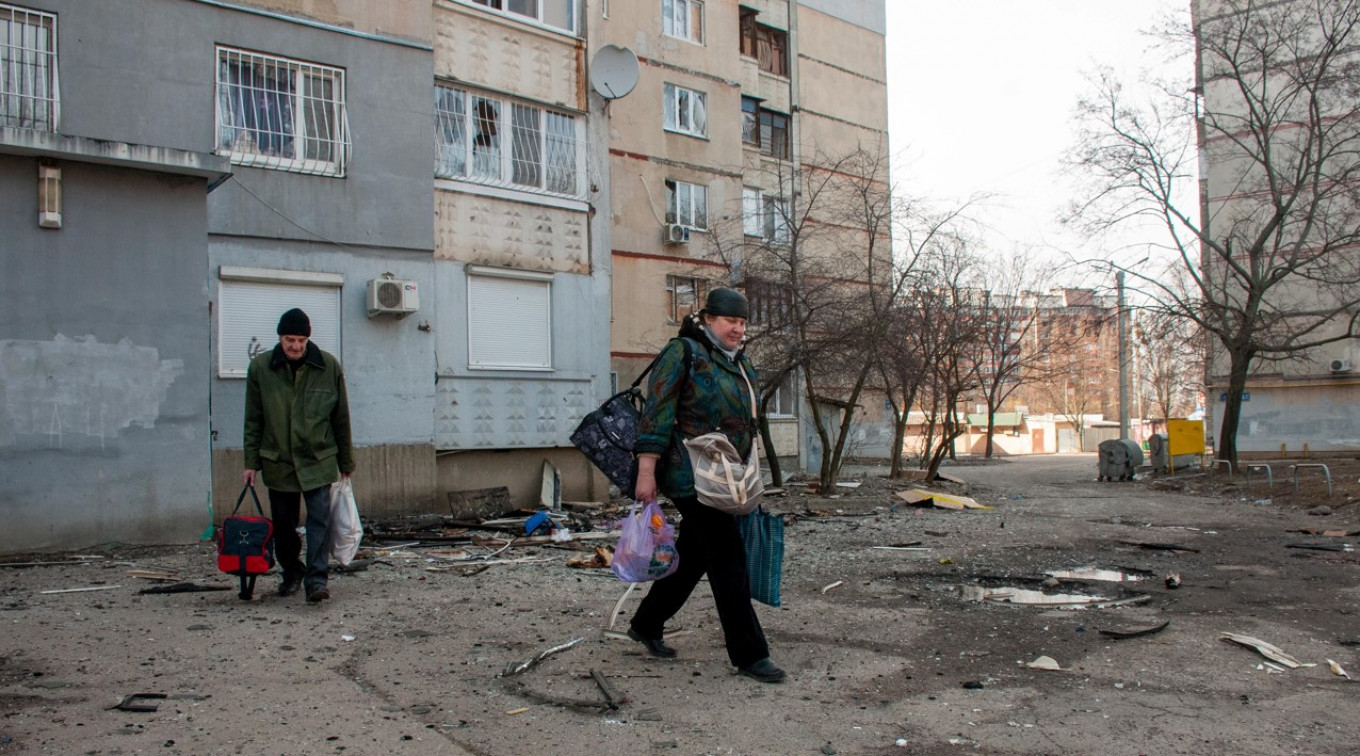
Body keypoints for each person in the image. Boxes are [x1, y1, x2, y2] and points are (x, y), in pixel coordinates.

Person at [626, 287, 786, 683]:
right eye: (731, 320)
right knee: (728, 557)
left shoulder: (739, 363)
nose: (738, 328)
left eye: (744, 322)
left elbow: (746, 422)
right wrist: (646, 472)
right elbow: (656, 415)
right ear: (708, 318)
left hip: (726, 475)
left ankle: (646, 623)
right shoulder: (682, 352)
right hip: (689, 474)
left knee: (696, 555)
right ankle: (750, 654)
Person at [243, 308, 355, 603]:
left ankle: (316, 581)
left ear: (308, 339)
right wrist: (251, 463)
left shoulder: (327, 366)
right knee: (283, 525)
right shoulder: (261, 369)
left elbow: (340, 418)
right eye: (289, 339)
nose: (295, 345)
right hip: (278, 461)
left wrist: (346, 462)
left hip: (318, 459)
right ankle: (291, 572)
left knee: (320, 522)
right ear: (280, 338)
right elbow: (253, 419)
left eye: (300, 340)